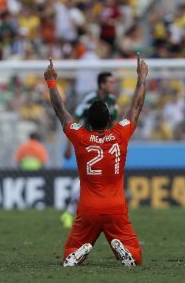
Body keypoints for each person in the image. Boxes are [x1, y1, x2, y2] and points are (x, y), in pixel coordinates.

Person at [44, 54, 148, 267]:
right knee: (136, 256)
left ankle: (80, 251)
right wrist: (141, 78)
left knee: (68, 253)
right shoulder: (120, 134)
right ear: (110, 120)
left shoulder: (81, 137)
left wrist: (51, 82)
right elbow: (136, 107)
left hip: (88, 209)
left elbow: (61, 111)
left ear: (88, 122)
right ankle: (124, 252)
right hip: (116, 208)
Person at [60, 71, 119, 228]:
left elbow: (114, 125)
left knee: (101, 179)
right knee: (86, 180)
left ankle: (87, 213)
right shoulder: (89, 100)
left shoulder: (112, 101)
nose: (114, 85)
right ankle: (70, 212)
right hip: (89, 144)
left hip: (105, 144)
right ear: (102, 84)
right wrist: (68, 145)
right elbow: (74, 121)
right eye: (111, 82)